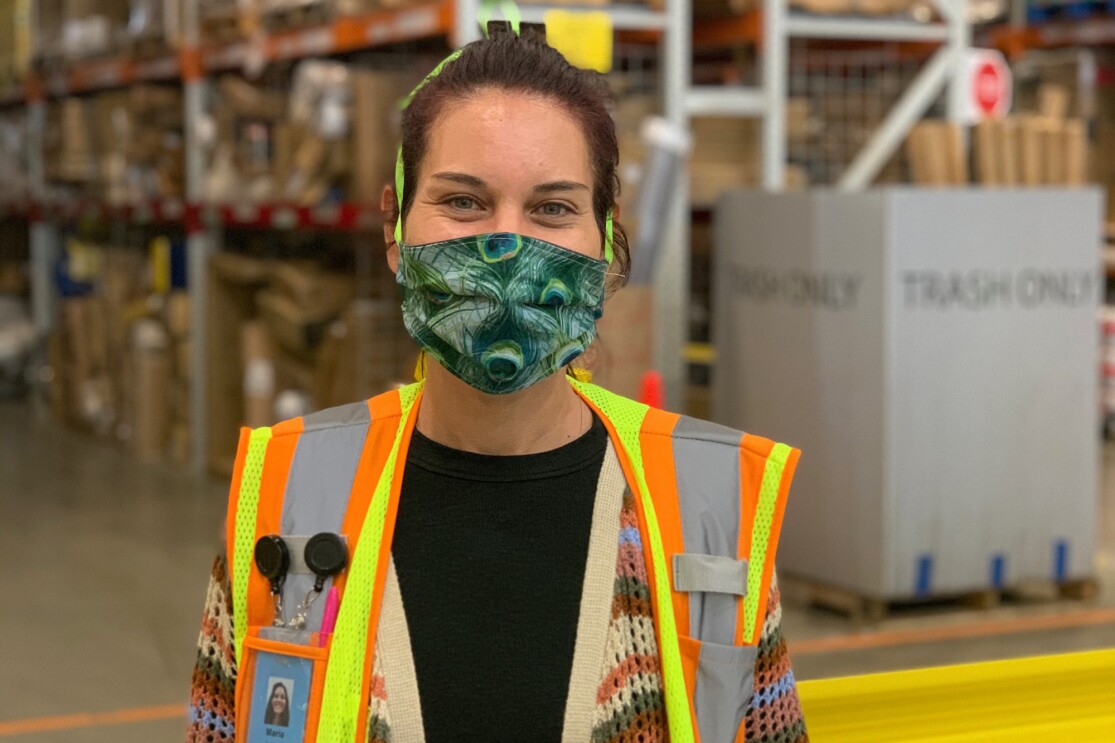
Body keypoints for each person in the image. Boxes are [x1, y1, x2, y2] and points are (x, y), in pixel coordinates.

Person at [187, 23, 807, 743]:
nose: (506, 249)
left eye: (551, 208)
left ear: (605, 244)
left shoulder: (710, 502)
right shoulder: (286, 491)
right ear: (394, 231)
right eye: (462, 201)